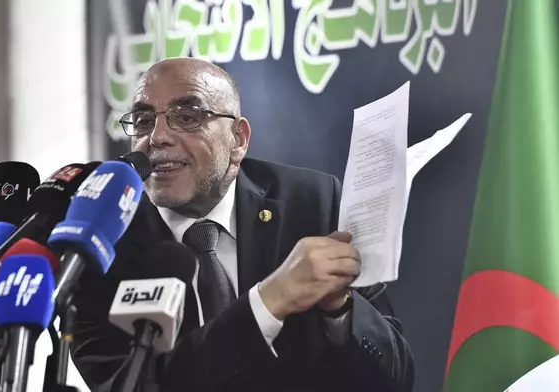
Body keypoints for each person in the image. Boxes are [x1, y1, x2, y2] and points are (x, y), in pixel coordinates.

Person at [71, 57, 414, 392]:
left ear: (238, 139)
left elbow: (395, 378)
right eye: (144, 121)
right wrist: (269, 301)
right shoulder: (100, 242)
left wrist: (340, 309)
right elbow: (130, 384)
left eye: (187, 116)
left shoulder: (313, 203)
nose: (157, 137)